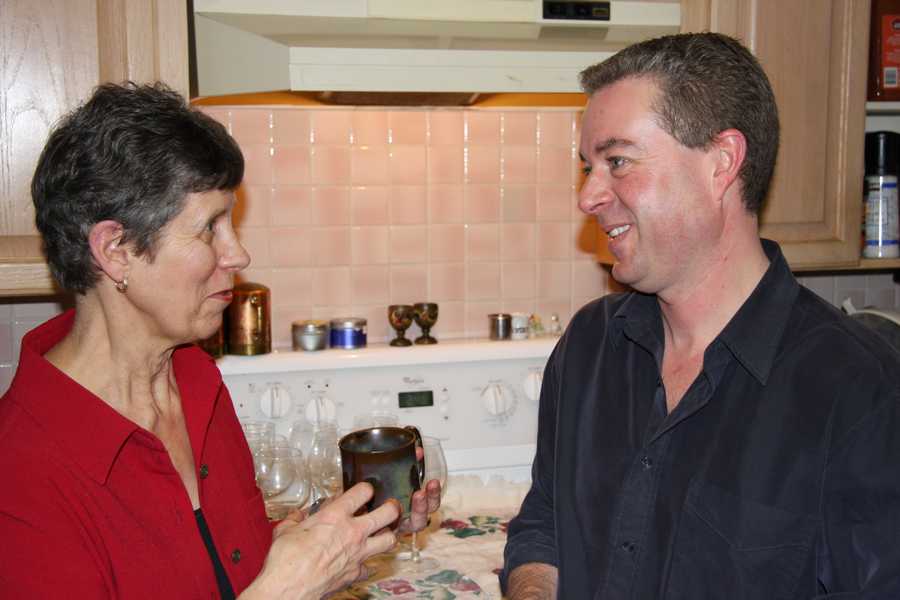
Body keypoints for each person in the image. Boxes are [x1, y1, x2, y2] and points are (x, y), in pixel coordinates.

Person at [0, 82, 441, 599]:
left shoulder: (195, 378)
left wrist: (344, 537)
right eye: (210, 228)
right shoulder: (21, 471)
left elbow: (222, 565)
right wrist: (284, 590)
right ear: (115, 250)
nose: (238, 254)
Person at [501, 32, 900, 599]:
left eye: (617, 161)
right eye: (588, 167)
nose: (588, 196)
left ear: (722, 163)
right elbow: (545, 520)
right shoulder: (589, 346)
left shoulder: (860, 391)